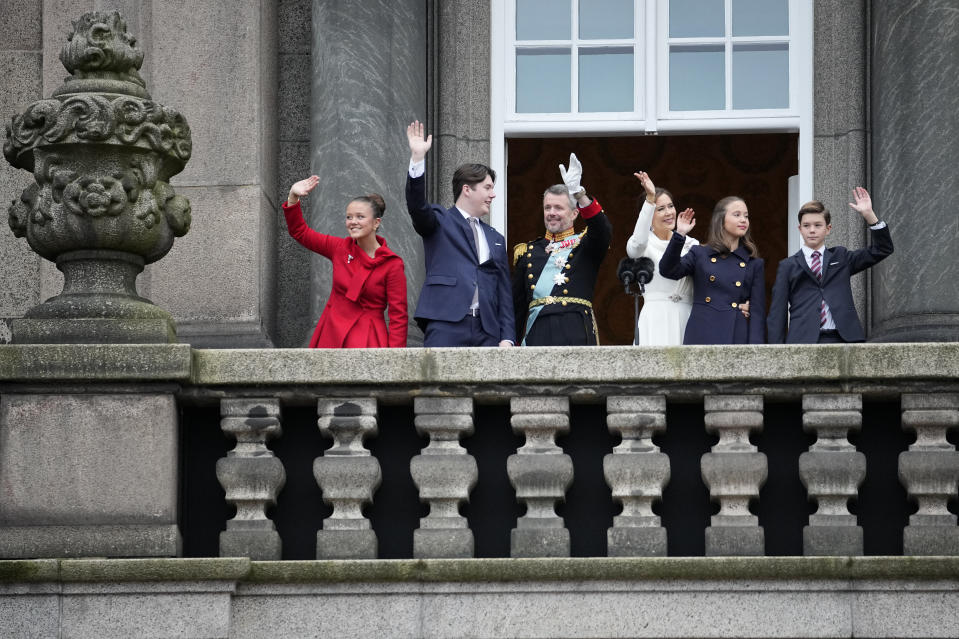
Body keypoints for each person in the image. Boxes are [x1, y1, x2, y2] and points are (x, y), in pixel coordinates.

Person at [405, 121, 514, 347]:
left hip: (488, 330)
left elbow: (504, 292)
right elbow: (417, 206)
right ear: (467, 189)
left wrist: (508, 337)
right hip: (446, 323)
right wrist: (417, 159)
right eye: (487, 187)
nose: (493, 195)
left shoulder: (496, 238)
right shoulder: (439, 220)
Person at [282, 175, 408, 348]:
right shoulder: (340, 248)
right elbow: (300, 232)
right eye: (349, 217)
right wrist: (293, 197)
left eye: (360, 217)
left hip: (368, 338)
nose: (353, 222)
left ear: (376, 223)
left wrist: (395, 361)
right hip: (331, 333)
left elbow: (398, 316)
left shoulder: (392, 265)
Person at [767, 187, 893, 344]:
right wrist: (776, 351)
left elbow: (882, 249)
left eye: (818, 225)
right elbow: (777, 312)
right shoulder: (787, 266)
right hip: (803, 340)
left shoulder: (841, 257)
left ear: (828, 229)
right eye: (806, 226)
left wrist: (869, 215)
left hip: (843, 338)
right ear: (800, 229)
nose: (812, 230)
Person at [511, 153, 612, 345]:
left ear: (575, 213)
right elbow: (516, 309)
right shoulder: (528, 252)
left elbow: (602, 230)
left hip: (576, 333)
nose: (551, 213)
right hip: (537, 335)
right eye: (547, 207)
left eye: (558, 208)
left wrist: (579, 194)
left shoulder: (586, 244)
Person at [659, 196, 765, 344]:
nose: (743, 220)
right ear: (721, 220)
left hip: (736, 335)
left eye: (746, 216)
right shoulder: (700, 253)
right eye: (737, 215)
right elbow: (668, 270)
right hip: (702, 331)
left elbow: (757, 314)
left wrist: (757, 351)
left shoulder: (754, 263)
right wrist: (679, 235)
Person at [625, 172, 699, 345]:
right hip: (655, 318)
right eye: (660, 209)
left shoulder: (691, 243)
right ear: (648, 215)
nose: (669, 213)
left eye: (670, 206)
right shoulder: (642, 245)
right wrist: (650, 198)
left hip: (687, 317)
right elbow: (636, 245)